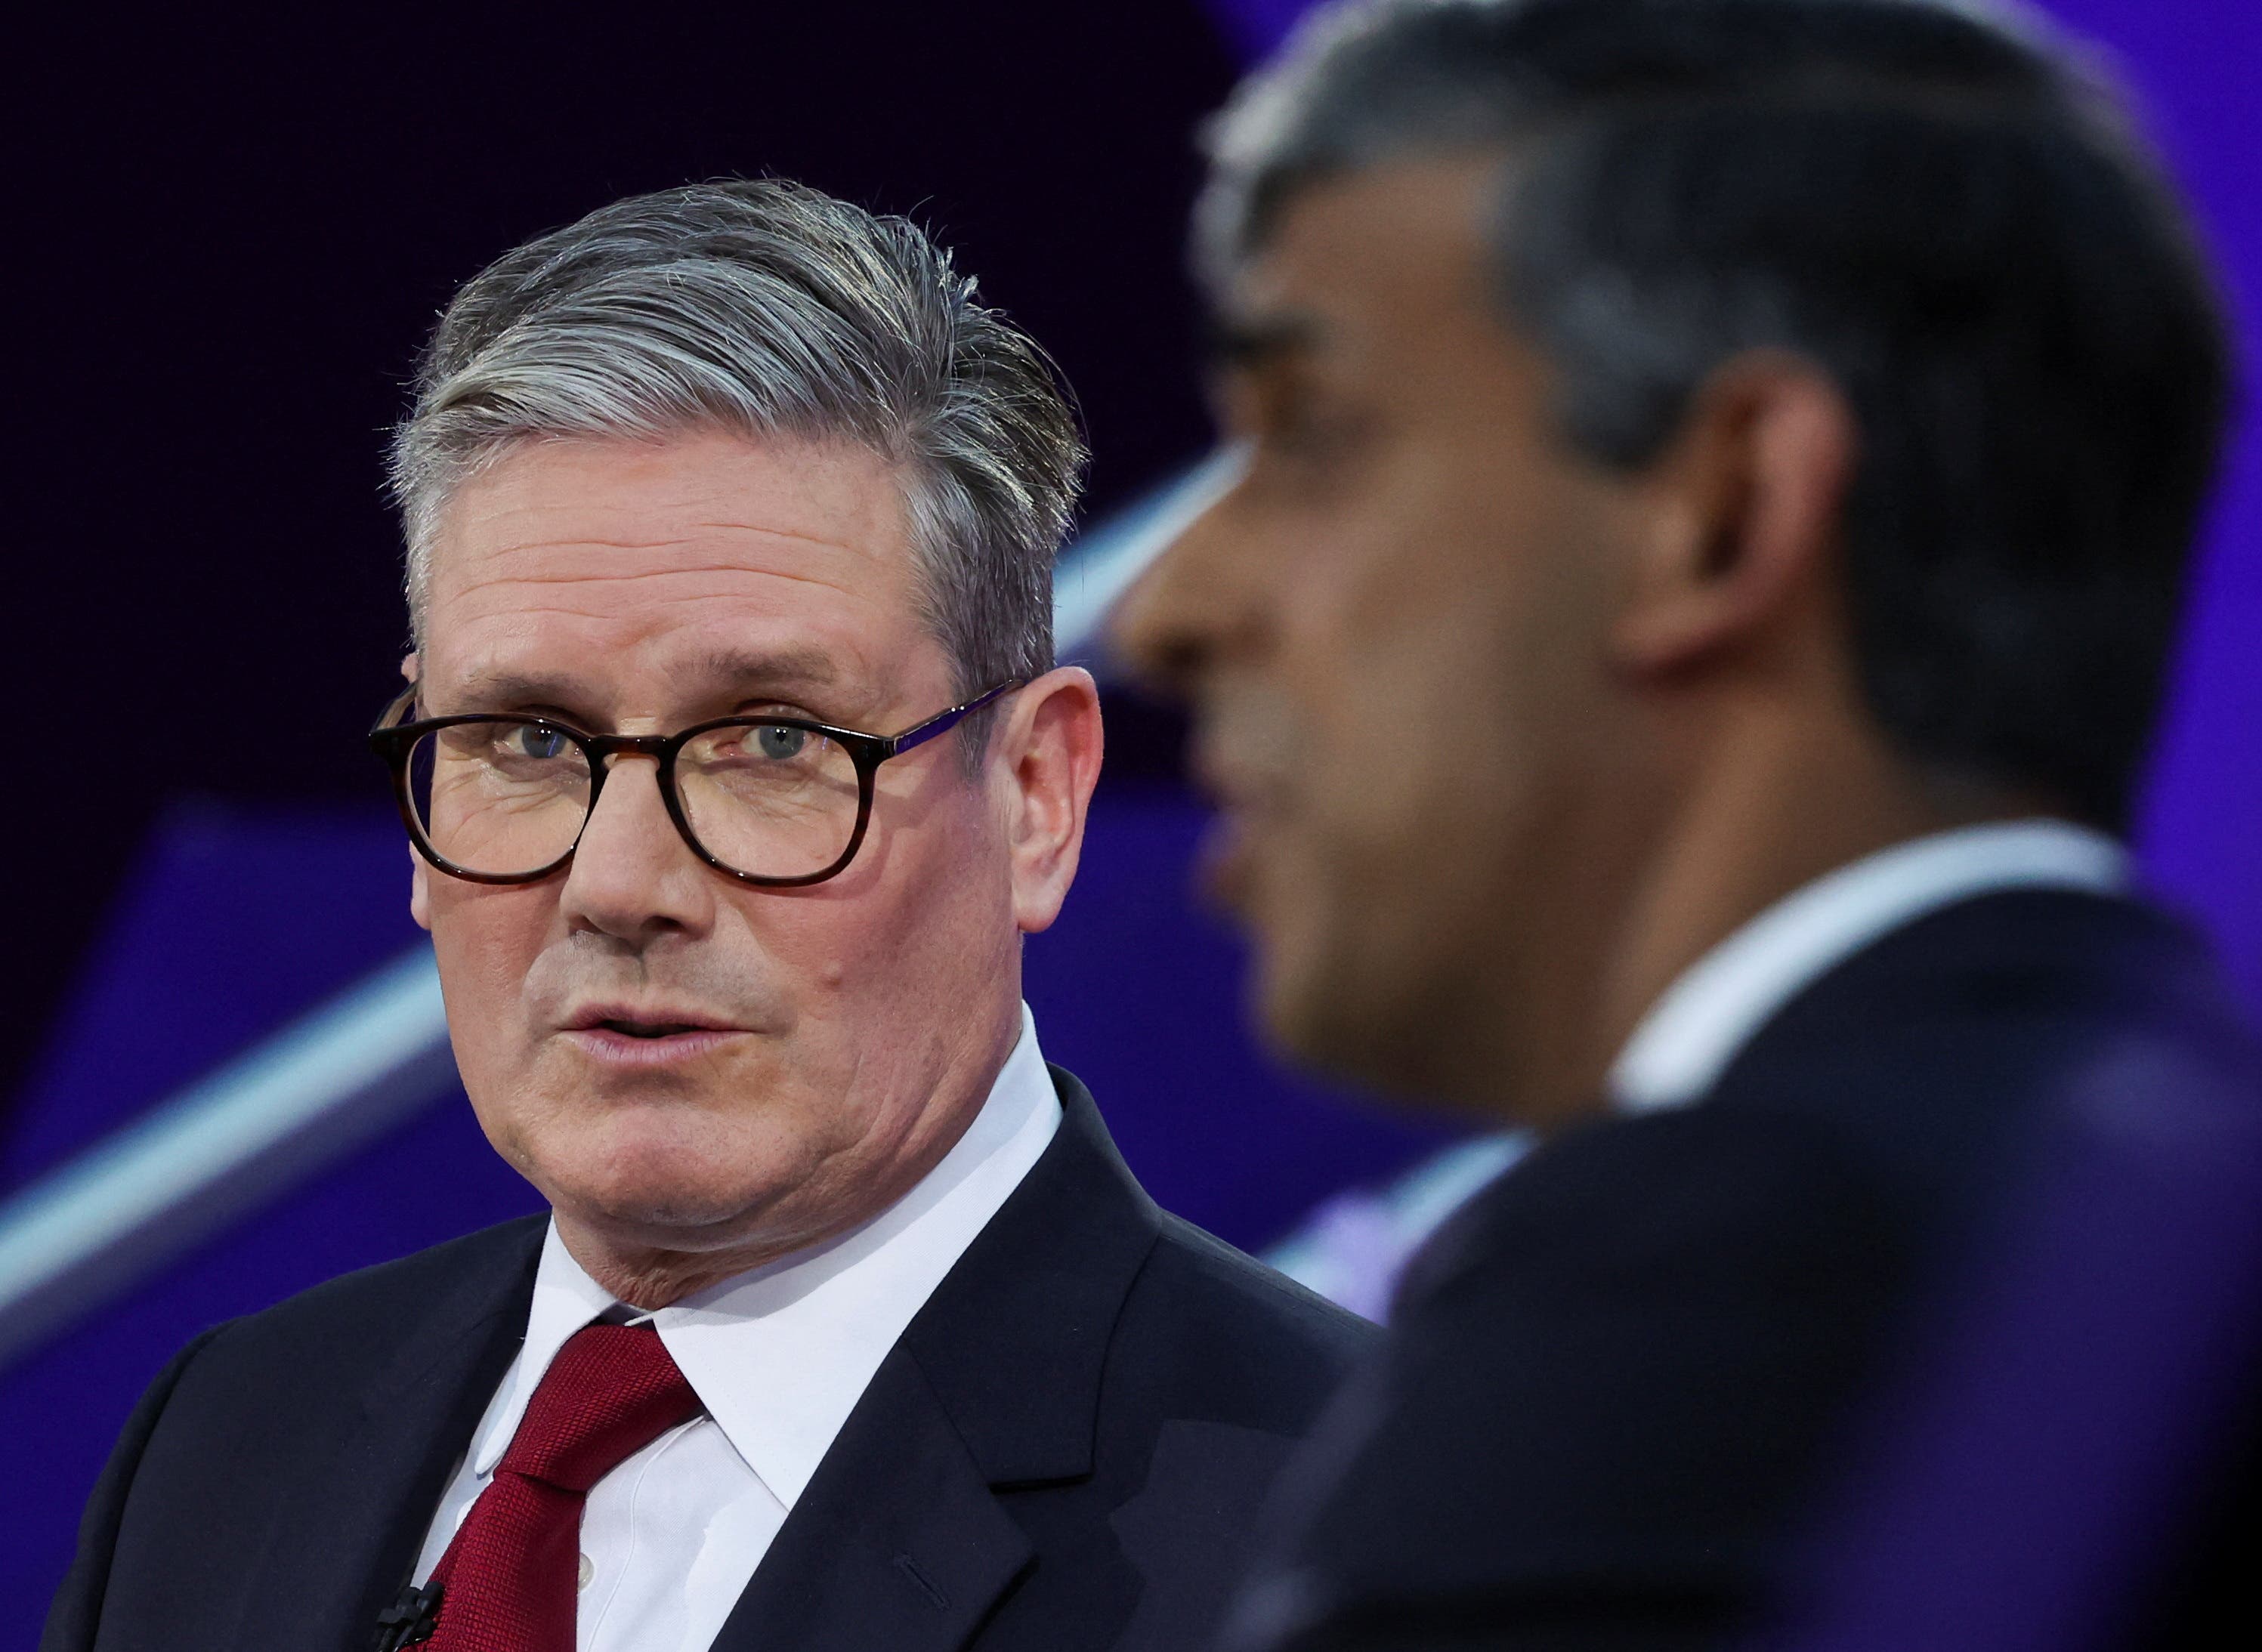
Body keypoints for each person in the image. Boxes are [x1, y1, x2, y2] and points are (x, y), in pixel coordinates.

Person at [46, 179, 1372, 1652]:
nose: (618, 885)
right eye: (528, 741)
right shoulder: (226, 1437)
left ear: (1035, 794)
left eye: (773, 742)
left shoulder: (1363, 1534)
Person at [1111, 0, 2261, 1645]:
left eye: (1310, 435)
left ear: (1717, 514)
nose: (1165, 604)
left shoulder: (1724, 1263)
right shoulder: (2179, 1180)